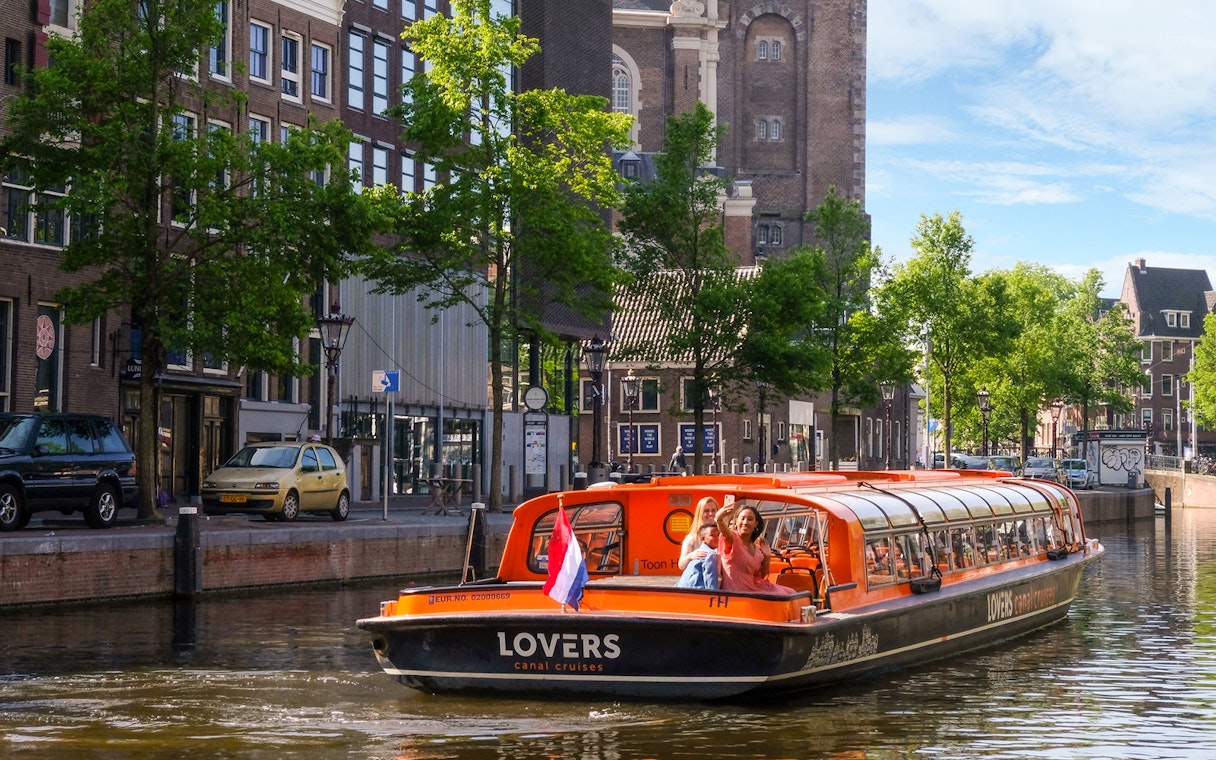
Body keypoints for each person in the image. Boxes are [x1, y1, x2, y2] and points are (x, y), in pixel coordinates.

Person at [715, 501, 794, 594]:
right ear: (736, 521)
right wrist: (719, 520)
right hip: (736, 593)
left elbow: (761, 575)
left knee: (791, 592)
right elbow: (726, 534)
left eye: (750, 519)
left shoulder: (756, 548)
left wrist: (767, 557)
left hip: (753, 589)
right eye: (742, 518)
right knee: (781, 595)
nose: (745, 522)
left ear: (756, 523)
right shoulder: (733, 538)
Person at [680, 497, 722, 569]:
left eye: (713, 510)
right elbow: (681, 565)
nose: (711, 513)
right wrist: (691, 556)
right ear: (700, 513)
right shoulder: (692, 538)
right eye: (706, 511)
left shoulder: (723, 535)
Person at [676, 522, 720, 589]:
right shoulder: (710, 554)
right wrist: (714, 595)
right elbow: (710, 579)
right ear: (702, 539)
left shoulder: (698, 552)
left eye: (718, 535)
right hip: (696, 593)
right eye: (712, 535)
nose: (717, 538)